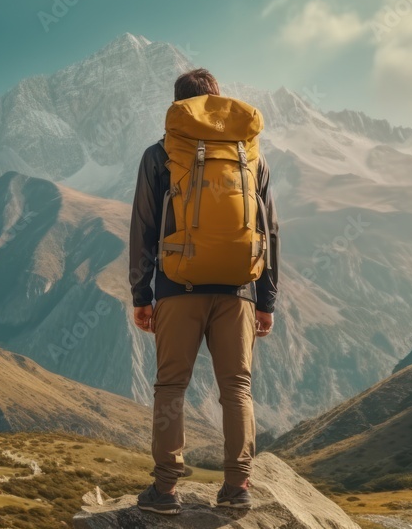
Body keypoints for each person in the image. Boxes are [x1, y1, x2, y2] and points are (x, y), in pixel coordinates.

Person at [129, 68, 280, 515]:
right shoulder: (251, 156)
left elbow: (144, 229)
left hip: (178, 286)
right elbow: (269, 229)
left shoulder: (159, 155)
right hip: (239, 290)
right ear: (218, 101)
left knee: (171, 386)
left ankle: (166, 491)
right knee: (237, 388)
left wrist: (142, 295)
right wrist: (266, 300)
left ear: (177, 108)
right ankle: (238, 489)